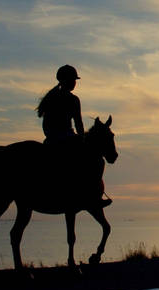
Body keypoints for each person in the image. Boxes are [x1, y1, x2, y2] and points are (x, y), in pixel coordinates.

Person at [37, 65, 111, 208]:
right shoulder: (73, 99)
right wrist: (82, 139)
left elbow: (46, 123)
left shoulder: (51, 97)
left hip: (50, 138)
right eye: (73, 80)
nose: (74, 83)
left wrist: (51, 135)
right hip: (66, 138)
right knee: (98, 161)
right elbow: (78, 124)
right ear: (67, 80)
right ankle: (94, 196)